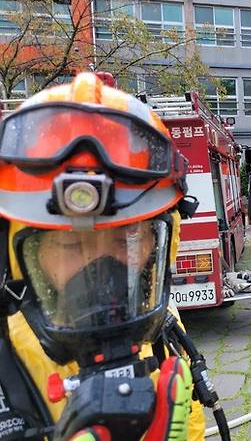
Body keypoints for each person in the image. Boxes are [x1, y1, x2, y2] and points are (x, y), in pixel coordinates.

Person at [0, 72, 207, 439]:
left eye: (127, 238)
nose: (102, 271)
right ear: (18, 261)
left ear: (160, 246)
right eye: (69, 244)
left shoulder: (162, 328)